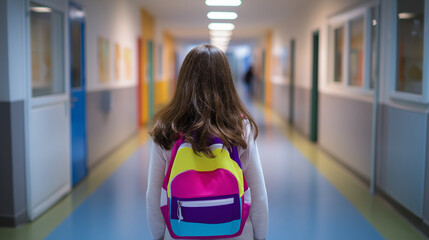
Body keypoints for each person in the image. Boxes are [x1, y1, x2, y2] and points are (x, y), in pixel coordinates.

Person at [146, 45, 268, 240]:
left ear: (184, 79)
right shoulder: (240, 127)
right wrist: (260, 237)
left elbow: (153, 196)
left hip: (181, 231)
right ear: (226, 81)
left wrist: (159, 236)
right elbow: (259, 196)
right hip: (234, 234)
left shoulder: (167, 127)